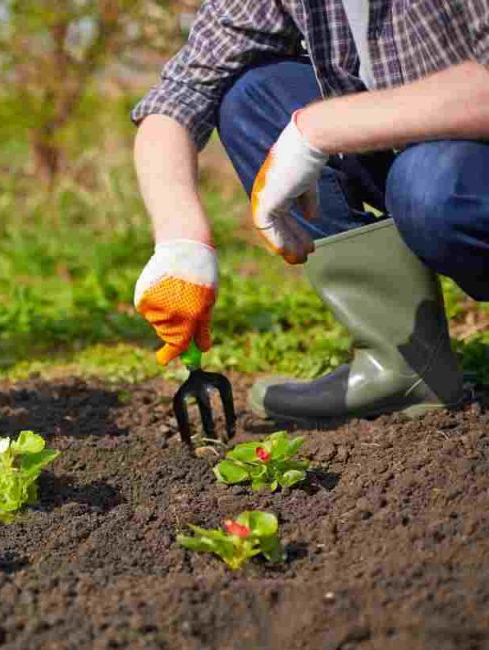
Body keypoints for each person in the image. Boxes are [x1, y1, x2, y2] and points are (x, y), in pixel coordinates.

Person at [131, 1, 489, 424]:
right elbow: (182, 93)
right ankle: (405, 365)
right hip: (419, 151)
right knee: (252, 96)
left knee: (429, 186)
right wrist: (181, 241)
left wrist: (318, 129)